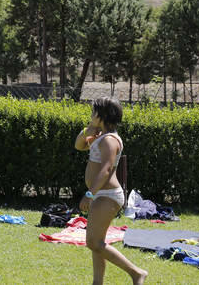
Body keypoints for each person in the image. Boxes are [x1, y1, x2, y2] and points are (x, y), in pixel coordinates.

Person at [75, 97, 147, 285]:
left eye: (94, 112)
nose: (91, 115)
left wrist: (89, 193)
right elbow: (79, 145)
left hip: (107, 195)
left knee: (93, 242)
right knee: (98, 243)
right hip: (100, 194)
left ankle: (136, 273)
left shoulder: (110, 140)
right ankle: (97, 282)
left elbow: (106, 169)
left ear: (103, 116)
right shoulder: (100, 136)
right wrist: (86, 131)